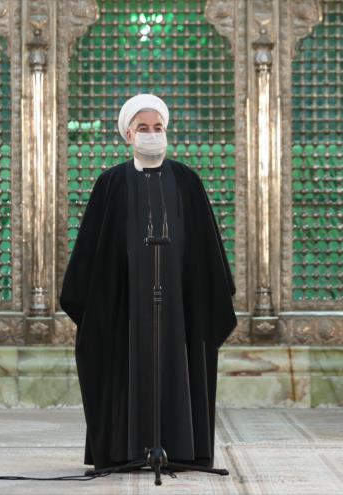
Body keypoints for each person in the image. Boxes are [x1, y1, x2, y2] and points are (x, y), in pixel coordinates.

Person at [60, 94, 237, 471]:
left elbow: (206, 249)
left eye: (158, 128)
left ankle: (181, 449)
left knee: (179, 364)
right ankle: (124, 450)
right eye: (143, 129)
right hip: (124, 308)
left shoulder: (187, 181)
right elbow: (93, 252)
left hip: (180, 308)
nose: (152, 135)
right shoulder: (110, 184)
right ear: (128, 134)